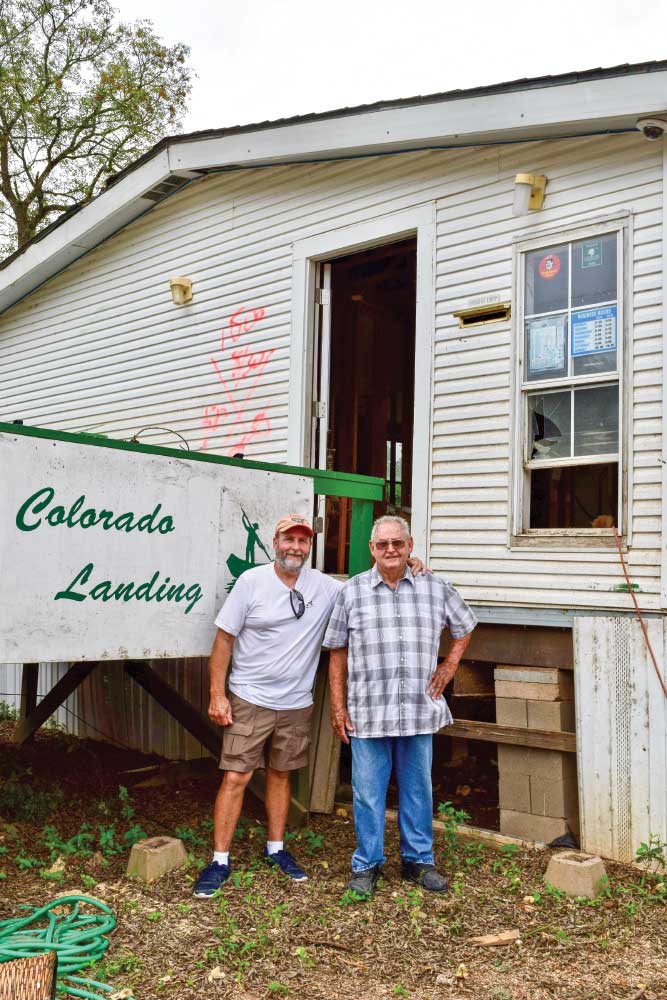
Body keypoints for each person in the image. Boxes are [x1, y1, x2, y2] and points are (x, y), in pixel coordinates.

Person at [193, 512, 426, 898]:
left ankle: (276, 849)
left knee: (282, 775)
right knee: (237, 776)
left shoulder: (326, 587)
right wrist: (217, 694)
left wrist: (411, 564)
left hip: (296, 702)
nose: (295, 547)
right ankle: (219, 860)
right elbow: (223, 641)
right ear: (276, 541)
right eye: (289, 540)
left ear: (309, 547)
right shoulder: (252, 582)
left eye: (303, 541)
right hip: (250, 697)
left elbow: (370, 584)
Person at [324, 514, 476, 899]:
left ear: (410, 546)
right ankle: (367, 864)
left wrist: (450, 664)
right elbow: (337, 653)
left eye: (398, 543)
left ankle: (418, 861)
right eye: (382, 544)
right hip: (369, 711)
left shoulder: (434, 587)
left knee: (417, 790)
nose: (390, 550)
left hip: (415, 709)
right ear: (371, 549)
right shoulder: (351, 592)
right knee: (367, 793)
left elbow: (465, 625)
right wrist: (337, 707)